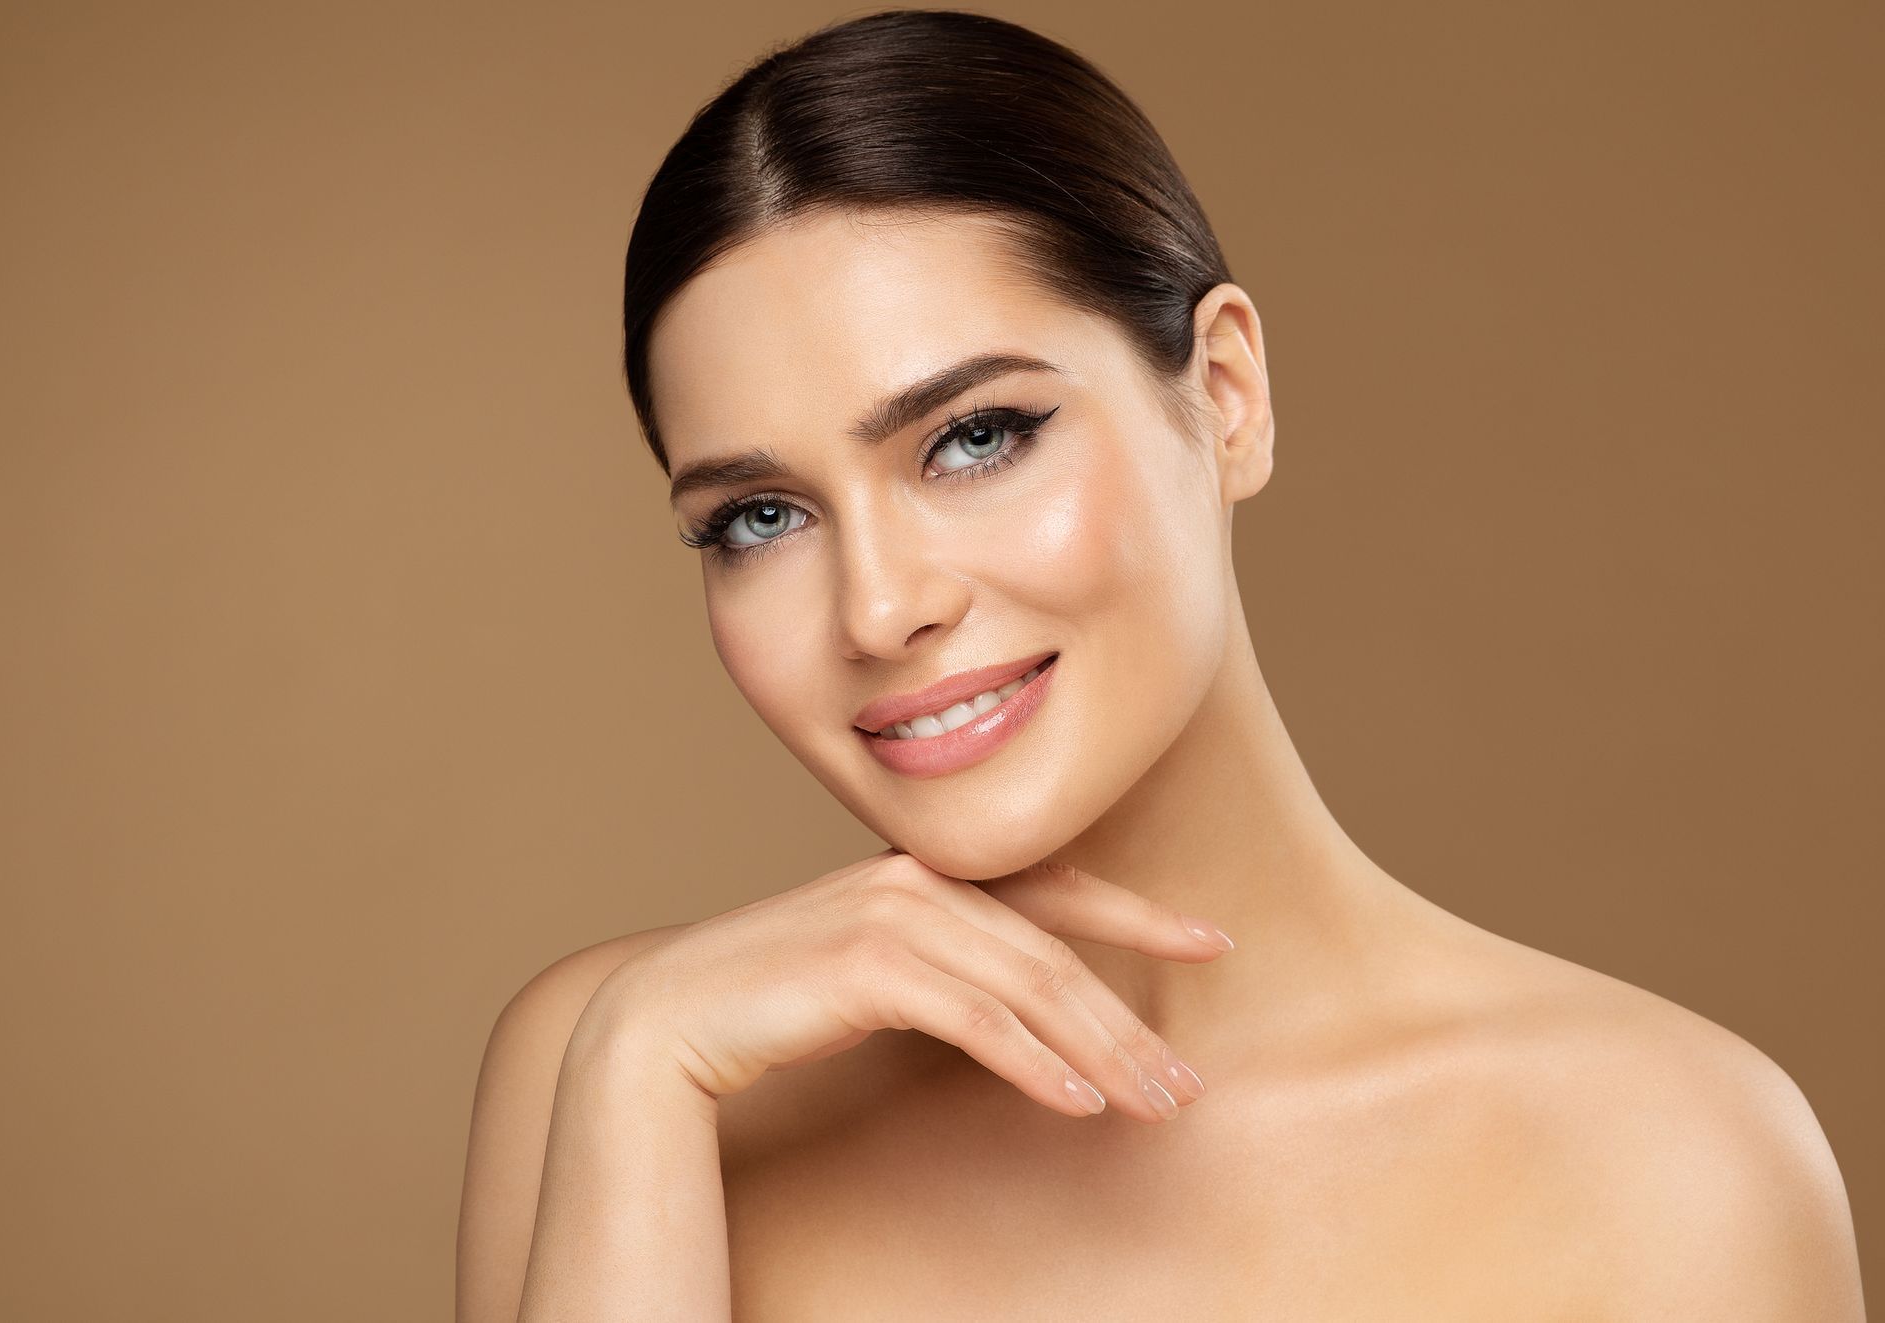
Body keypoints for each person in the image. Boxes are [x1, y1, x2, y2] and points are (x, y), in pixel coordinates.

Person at [455, 10, 1864, 1319]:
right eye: (761, 519)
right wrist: (638, 1069)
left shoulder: (1665, 1158)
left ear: (1228, 399)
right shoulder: (630, 1065)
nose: (877, 611)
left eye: (976, 438)